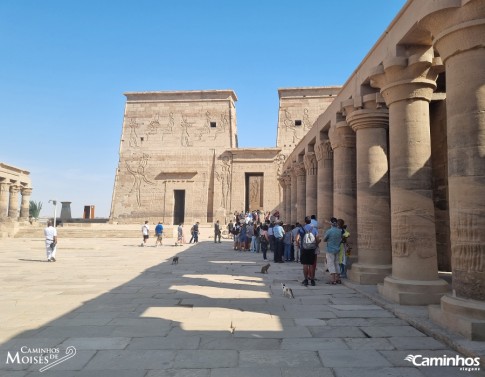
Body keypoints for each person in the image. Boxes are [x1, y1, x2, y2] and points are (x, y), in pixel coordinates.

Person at [297, 216, 320, 286]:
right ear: (310, 221)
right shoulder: (314, 229)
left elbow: (297, 238)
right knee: (312, 265)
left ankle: (306, 280)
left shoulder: (301, 229)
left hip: (304, 248)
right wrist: (317, 244)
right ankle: (312, 280)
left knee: (305, 264)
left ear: (305, 221)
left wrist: (298, 245)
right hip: (312, 248)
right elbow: (317, 239)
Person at [323, 217, 342, 284]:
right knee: (337, 263)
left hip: (330, 249)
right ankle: (338, 278)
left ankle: (333, 279)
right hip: (337, 249)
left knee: (331, 263)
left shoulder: (329, 231)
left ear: (331, 223)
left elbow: (324, 239)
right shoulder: (339, 231)